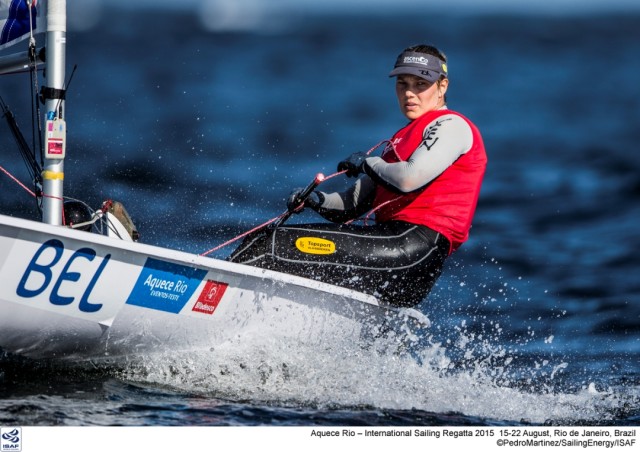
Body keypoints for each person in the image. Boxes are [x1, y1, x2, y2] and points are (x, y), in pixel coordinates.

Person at [229, 44, 487, 307]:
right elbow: (351, 205)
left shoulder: (451, 125)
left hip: (413, 247)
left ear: (443, 86)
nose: (409, 93)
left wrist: (367, 163)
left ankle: (209, 300)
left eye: (420, 84)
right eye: (402, 83)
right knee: (281, 252)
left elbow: (409, 179)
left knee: (269, 243)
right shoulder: (399, 141)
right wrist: (315, 200)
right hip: (397, 252)